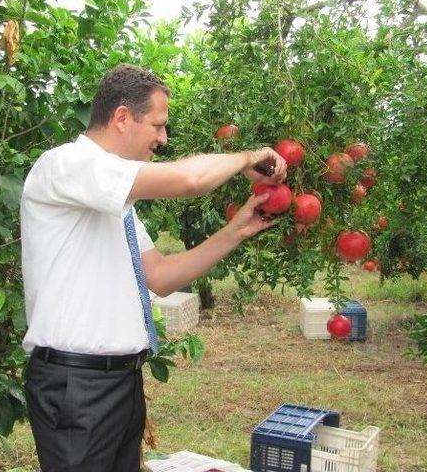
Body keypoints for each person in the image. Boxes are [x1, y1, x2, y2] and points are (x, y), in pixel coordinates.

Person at [20, 63, 287, 472]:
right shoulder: (67, 165)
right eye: (159, 125)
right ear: (122, 118)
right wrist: (248, 157)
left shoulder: (115, 200)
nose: (163, 139)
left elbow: (160, 277)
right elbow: (189, 180)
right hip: (76, 387)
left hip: (121, 382)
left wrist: (236, 231)